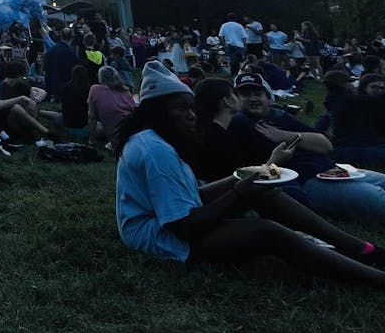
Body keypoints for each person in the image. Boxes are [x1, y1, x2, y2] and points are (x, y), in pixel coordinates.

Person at [115, 59, 385, 286]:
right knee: (266, 231)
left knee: (262, 189)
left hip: (181, 217)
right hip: (160, 235)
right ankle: (375, 278)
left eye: (192, 108)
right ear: (157, 112)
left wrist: (246, 180)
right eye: (180, 108)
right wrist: (236, 191)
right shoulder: (154, 149)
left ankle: (360, 249)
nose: (192, 116)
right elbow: (184, 227)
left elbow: (190, 197)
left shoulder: (159, 140)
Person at [229, 72, 385, 222]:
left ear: (268, 97)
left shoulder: (277, 116)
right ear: (235, 100)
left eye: (258, 94)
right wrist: (278, 161)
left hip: (333, 169)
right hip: (307, 181)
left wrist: (283, 135)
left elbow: (325, 145)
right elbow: (247, 173)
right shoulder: (239, 124)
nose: (253, 99)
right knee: (378, 200)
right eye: (246, 95)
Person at [87, 66, 135, 149]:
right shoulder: (125, 90)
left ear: (101, 78)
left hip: (119, 142)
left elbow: (92, 117)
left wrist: (91, 141)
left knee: (98, 126)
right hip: (135, 134)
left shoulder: (95, 89)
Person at [43, 28, 77, 100]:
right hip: (64, 91)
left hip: (50, 88)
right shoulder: (71, 53)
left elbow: (45, 69)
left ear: (61, 36)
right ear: (71, 38)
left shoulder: (51, 50)